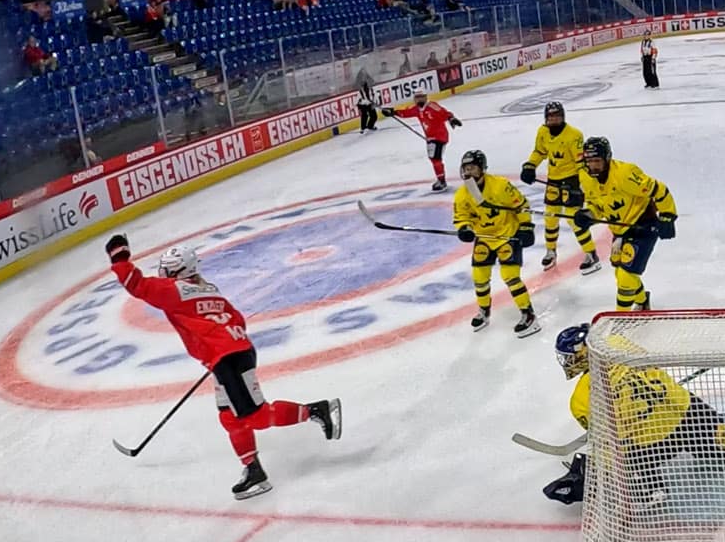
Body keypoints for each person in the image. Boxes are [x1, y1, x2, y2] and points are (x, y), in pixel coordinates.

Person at [104, 235, 340, 499]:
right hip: (230, 354)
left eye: (167, 269)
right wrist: (216, 347)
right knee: (229, 416)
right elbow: (237, 319)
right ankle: (254, 471)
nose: (163, 273)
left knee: (256, 417)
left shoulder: (173, 290)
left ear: (178, 270)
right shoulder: (210, 290)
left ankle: (316, 411)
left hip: (229, 358)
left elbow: (136, 283)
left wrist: (118, 255)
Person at [540, 322, 725, 507]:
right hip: (687, 409)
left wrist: (592, 468)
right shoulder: (619, 343)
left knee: (618, 457)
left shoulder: (580, 399)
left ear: (580, 356)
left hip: (656, 442)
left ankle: (649, 488)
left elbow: (611, 440)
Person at [577, 136, 677, 311]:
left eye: (597, 161)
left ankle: (620, 319)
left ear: (607, 158)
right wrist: (588, 214)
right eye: (590, 161)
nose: (593, 166)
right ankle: (642, 301)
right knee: (620, 273)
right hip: (620, 231)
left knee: (626, 276)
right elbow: (597, 206)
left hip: (643, 227)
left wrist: (668, 215)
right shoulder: (585, 177)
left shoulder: (625, 175)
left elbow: (659, 189)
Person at [455, 149, 542, 337]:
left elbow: (521, 205)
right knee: (479, 277)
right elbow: (461, 216)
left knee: (510, 276)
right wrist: (464, 228)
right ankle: (484, 311)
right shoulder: (462, 194)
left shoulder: (501, 185)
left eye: (472, 168)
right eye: (466, 168)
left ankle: (528, 314)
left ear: (482, 168)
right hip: (484, 237)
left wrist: (526, 226)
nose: (469, 172)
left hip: (507, 234)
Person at [521, 101, 601, 273]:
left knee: (574, 219)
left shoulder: (574, 135)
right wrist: (530, 165)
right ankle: (551, 251)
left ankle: (591, 253)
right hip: (553, 181)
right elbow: (540, 151)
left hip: (571, 180)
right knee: (550, 218)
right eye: (551, 117)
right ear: (546, 118)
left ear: (563, 117)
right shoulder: (542, 131)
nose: (554, 120)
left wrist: (584, 186)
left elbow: (581, 164)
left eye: (557, 116)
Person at [389, 98, 461, 191]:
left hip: (439, 136)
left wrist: (451, 118)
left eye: (421, 97)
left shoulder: (432, 106)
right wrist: (393, 112)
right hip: (431, 138)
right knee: (434, 159)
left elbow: (444, 113)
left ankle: (442, 181)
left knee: (435, 158)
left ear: (425, 97)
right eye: (417, 97)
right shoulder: (417, 109)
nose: (419, 99)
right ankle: (441, 180)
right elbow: (407, 112)